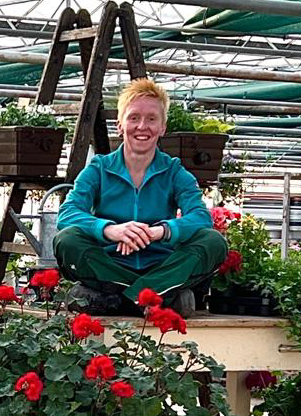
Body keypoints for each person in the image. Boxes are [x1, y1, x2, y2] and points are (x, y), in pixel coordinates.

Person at [54, 78, 226, 315]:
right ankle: (155, 297)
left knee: (213, 241)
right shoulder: (99, 169)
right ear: (120, 125)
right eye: (134, 117)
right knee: (67, 239)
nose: (142, 126)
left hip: (161, 266)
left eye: (151, 119)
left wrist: (159, 232)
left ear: (163, 127)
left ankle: (122, 299)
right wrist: (110, 230)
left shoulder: (175, 172)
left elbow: (200, 217)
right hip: (110, 265)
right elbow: (68, 213)